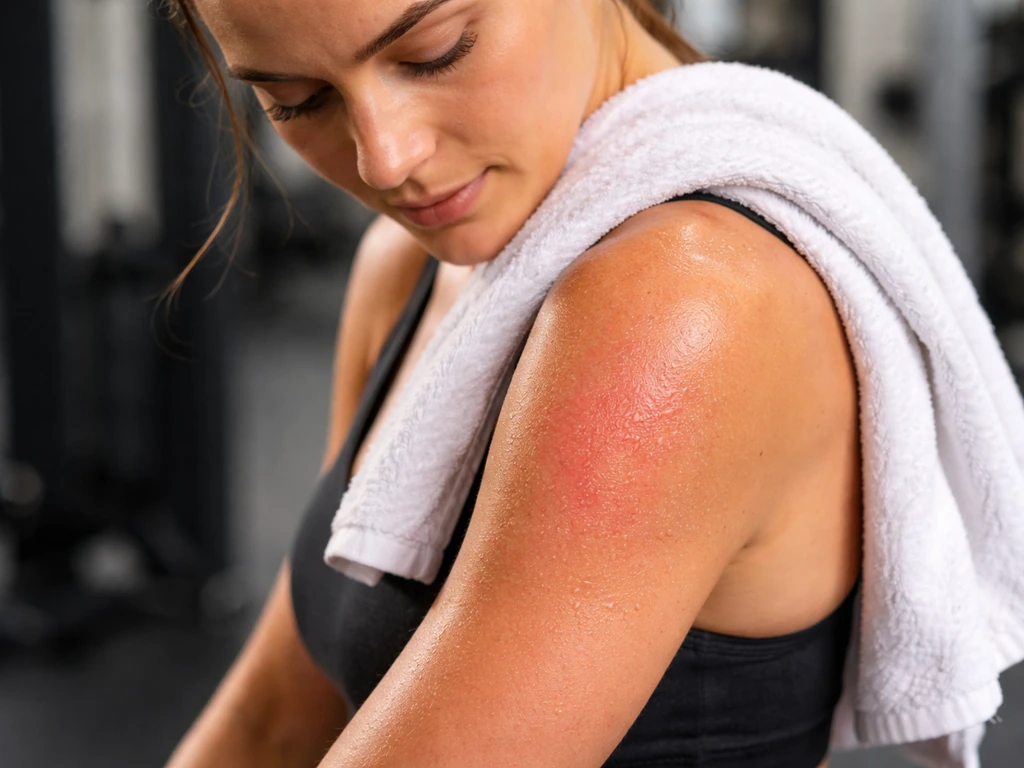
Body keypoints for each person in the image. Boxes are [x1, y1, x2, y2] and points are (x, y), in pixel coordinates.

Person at [165, 1, 862, 766]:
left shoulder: (684, 300)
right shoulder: (409, 269)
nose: (384, 159)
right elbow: (274, 717)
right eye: (297, 99)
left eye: (437, 51)